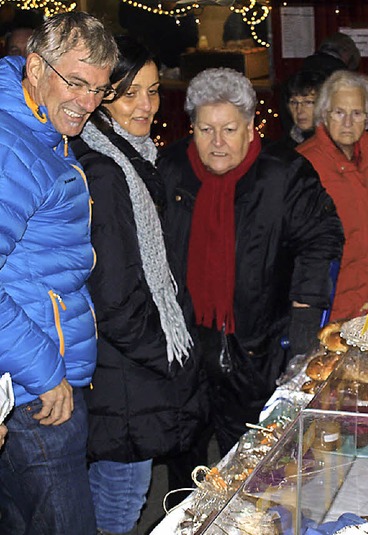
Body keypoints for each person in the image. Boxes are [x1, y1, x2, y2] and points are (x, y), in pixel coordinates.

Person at [157, 67, 343, 460]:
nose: (218, 143)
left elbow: (322, 237)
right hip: (187, 346)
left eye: (229, 129)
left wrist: (305, 318)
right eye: (206, 130)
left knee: (252, 458)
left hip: (259, 345)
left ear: (250, 126)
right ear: (191, 126)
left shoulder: (284, 173)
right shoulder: (170, 169)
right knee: (184, 453)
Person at [69, 36, 208, 535]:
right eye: (129, 93)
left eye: (152, 91)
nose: (146, 105)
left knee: (114, 499)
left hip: (126, 373)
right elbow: (113, 294)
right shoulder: (106, 171)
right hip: (122, 376)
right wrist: (167, 354)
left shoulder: (135, 160)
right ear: (101, 97)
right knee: (119, 505)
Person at [0, 12, 117, 535]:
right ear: (34, 67)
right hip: (35, 393)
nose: (89, 102)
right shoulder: (13, 146)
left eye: (99, 88)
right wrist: (46, 372)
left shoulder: (37, 128)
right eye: (76, 82)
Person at [297, 70, 368, 321]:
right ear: (324, 115)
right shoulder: (304, 164)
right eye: (339, 113)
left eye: (356, 113)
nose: (348, 122)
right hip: (325, 306)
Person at [277, 69, 326, 149]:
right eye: (294, 103)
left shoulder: (338, 143)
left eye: (308, 102)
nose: (299, 110)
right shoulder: (283, 149)